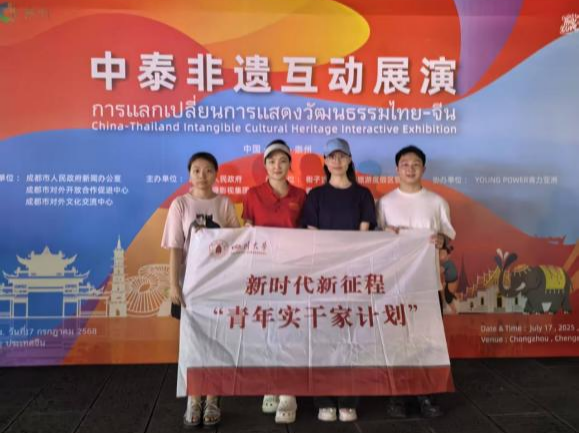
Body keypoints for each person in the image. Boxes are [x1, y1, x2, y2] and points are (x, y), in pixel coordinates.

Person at [161, 152, 240, 428]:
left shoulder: (224, 203)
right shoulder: (180, 205)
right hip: (190, 286)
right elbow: (175, 248)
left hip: (219, 284)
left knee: (217, 341)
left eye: (208, 170)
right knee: (192, 343)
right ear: (189, 174)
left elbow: (237, 241)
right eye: (196, 170)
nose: (202, 176)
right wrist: (174, 284)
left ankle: (213, 399)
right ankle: (193, 399)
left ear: (216, 174)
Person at [376, 145, 456, 419]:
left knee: (427, 339)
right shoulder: (385, 203)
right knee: (396, 339)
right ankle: (398, 396)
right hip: (394, 284)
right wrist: (385, 235)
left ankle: (427, 394)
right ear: (396, 169)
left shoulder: (437, 202)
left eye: (415, 164)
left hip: (428, 283)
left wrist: (441, 241)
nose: (410, 169)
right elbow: (374, 241)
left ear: (424, 168)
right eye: (405, 164)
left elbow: (448, 239)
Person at [302, 137, 377, 423]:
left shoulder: (363, 195)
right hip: (322, 276)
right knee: (321, 336)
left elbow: (363, 235)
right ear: (325, 161)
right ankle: (323, 400)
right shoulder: (315, 195)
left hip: (353, 275)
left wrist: (347, 264)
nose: (336, 161)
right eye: (331, 156)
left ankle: (348, 399)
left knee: (351, 337)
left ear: (349, 160)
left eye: (341, 156)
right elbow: (311, 235)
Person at [243, 139, 306, 424]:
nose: (277, 166)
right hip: (263, 273)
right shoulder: (253, 194)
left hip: (293, 272)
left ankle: (289, 391)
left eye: (282, 161)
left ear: (289, 165)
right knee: (266, 327)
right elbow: (248, 230)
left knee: (289, 328)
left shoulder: (301, 195)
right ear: (265, 165)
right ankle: (270, 382)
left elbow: (308, 233)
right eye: (271, 161)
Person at [440, 245, 459, 314]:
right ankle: (452, 308)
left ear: (448, 256)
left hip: (452, 281)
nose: (441, 256)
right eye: (440, 253)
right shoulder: (447, 263)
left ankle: (454, 310)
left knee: (447, 296)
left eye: (443, 254)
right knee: (444, 293)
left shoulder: (447, 263)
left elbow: (440, 271)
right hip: (449, 281)